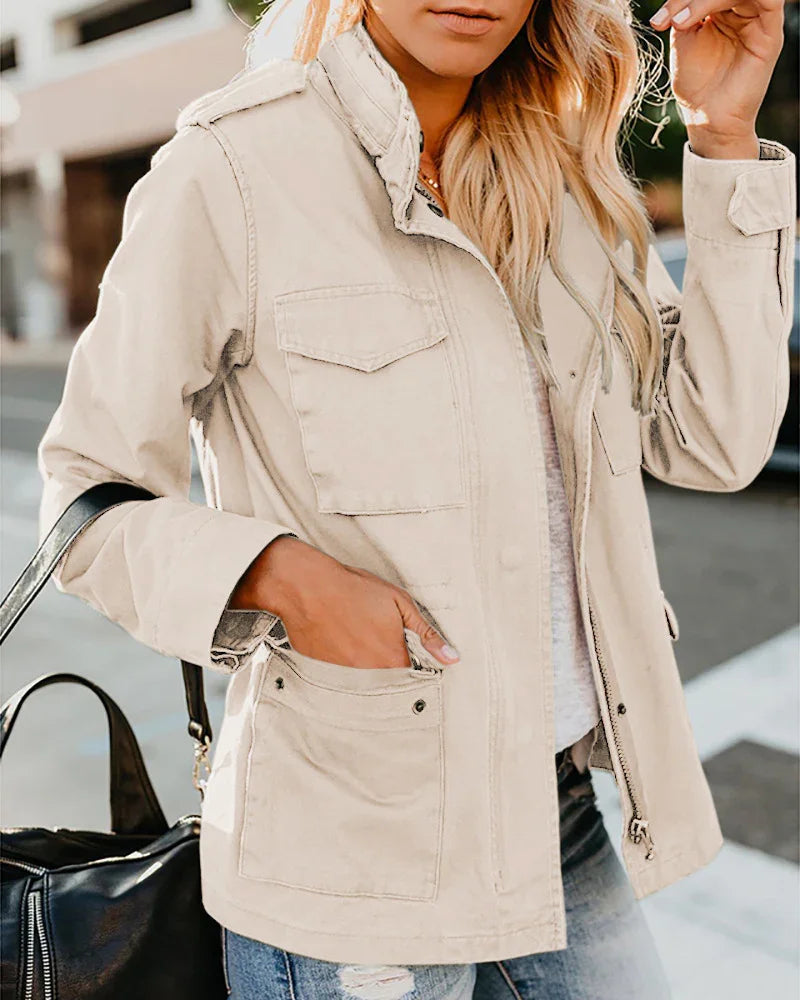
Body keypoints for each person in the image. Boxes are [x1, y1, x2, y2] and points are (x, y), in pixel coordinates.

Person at [37, 0, 794, 997]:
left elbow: (710, 440)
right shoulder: (233, 168)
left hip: (555, 817)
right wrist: (280, 576)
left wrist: (721, 135)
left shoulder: (563, 182)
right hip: (353, 854)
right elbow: (85, 496)